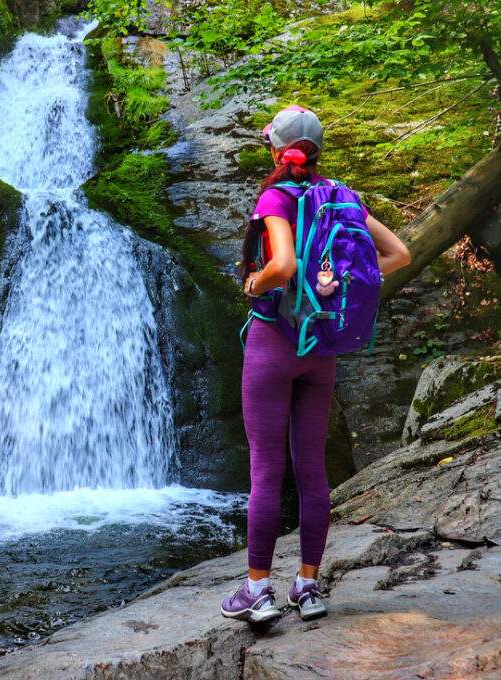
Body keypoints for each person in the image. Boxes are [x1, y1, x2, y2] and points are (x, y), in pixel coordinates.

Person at [220, 105, 411, 625]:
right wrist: (344, 285)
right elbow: (399, 255)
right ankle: (307, 586)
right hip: (321, 347)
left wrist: (253, 283)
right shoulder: (343, 197)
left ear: (276, 151)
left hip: (274, 343)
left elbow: (280, 266)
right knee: (311, 468)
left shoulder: (276, 196)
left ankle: (256, 590)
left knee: (265, 469)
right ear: (317, 151)